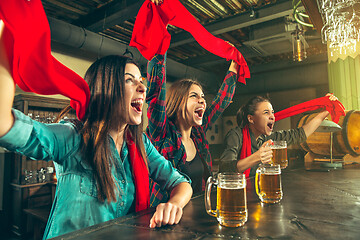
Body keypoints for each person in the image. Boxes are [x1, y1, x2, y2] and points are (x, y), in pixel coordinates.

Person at [0, 22, 192, 239]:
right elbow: (3, 124)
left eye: (141, 81)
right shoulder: (73, 137)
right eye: (129, 81)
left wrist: (173, 205)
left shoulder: (140, 144)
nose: (142, 87)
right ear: (107, 88)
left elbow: (181, 182)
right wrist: (7, 30)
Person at [146, 50, 239, 204]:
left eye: (202, 96)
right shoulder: (162, 134)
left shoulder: (197, 135)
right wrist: (159, 49)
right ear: (178, 102)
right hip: (165, 219)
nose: (202, 100)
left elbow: (220, 103)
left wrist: (235, 65)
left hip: (198, 217)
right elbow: (155, 95)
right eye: (194, 96)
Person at [219, 94, 338, 177]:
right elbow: (225, 169)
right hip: (237, 194)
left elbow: (299, 134)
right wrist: (257, 157)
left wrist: (324, 112)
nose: (272, 116)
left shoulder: (268, 138)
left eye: (272, 112)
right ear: (251, 118)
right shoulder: (236, 135)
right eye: (266, 113)